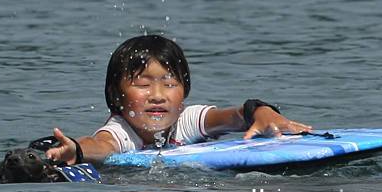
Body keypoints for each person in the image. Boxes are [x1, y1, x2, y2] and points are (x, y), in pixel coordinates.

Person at [46, 35, 311, 165]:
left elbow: (238, 116)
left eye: (170, 84)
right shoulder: (121, 131)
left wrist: (262, 113)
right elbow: (101, 145)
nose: (158, 96)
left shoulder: (186, 120)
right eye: (142, 85)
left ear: (184, 92)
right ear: (116, 95)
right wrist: (77, 150)